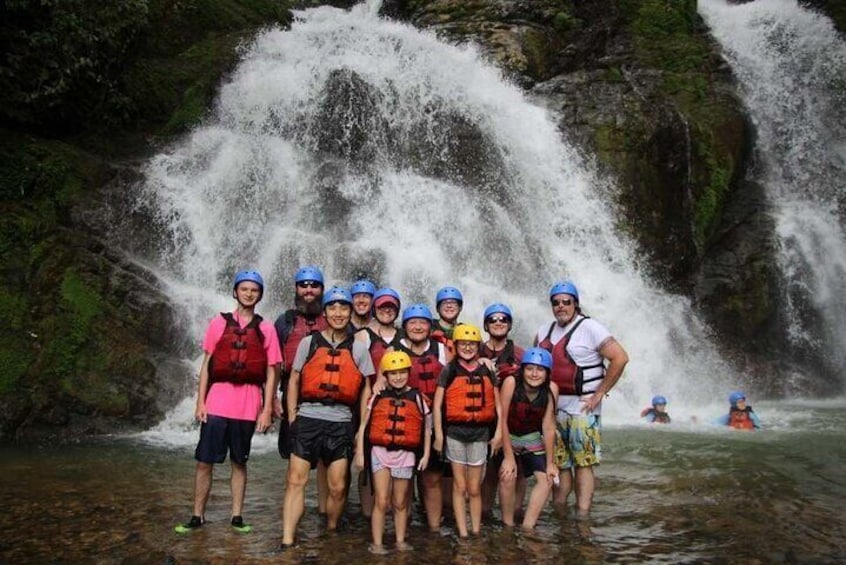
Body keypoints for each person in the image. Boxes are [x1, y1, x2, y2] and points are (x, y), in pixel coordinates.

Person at [175, 270, 281, 534]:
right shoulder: (218, 324)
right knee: (204, 461)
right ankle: (197, 515)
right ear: (235, 292)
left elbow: (271, 371)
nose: (248, 293)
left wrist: (266, 408)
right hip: (217, 401)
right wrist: (200, 403)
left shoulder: (266, 328)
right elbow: (207, 366)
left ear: (260, 295)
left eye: (254, 290)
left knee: (239, 462)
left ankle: (236, 516)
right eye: (244, 289)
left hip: (247, 405)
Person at [280, 286, 374, 549]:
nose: (338, 313)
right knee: (295, 480)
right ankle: (287, 540)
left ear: (350, 312)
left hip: (341, 422)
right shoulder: (308, 343)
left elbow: (366, 386)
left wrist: (360, 428)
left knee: (337, 487)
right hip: (308, 418)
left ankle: (331, 529)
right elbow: (295, 378)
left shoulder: (359, 348)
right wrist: (292, 418)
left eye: (343, 308)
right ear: (325, 312)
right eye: (332, 308)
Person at [535, 281, 629, 516]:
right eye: (556, 303)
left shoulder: (591, 328)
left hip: (582, 408)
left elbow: (620, 357)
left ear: (575, 303)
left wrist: (600, 392)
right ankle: (560, 510)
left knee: (583, 463)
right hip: (553, 408)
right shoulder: (544, 330)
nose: (561, 307)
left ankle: (583, 513)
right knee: (561, 464)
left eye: (566, 302)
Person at [354, 351, 432, 554]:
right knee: (381, 500)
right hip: (380, 452)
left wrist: (425, 455)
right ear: (386, 375)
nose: (398, 377)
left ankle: (399, 540)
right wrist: (360, 454)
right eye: (393, 373)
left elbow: (426, 428)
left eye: (402, 372)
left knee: (400, 502)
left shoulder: (417, 397)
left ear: (408, 372)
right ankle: (377, 543)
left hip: (405, 454)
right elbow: (363, 426)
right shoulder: (377, 396)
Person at [384, 303, 450, 531]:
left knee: (432, 478)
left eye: (423, 322)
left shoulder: (441, 350)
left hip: (433, 422)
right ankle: (405, 529)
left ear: (430, 326)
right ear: (405, 326)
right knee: (403, 480)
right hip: (402, 421)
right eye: (413, 323)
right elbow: (381, 387)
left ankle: (433, 530)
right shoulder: (394, 349)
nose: (418, 327)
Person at [433, 323, 502, 538]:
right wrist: (439, 434)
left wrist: (498, 433)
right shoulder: (449, 370)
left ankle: (476, 530)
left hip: (480, 434)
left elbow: (498, 406)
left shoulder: (487, 370)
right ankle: (463, 533)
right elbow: (437, 405)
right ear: (456, 345)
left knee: (474, 488)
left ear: (478, 346)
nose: (467, 348)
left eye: (472, 344)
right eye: (463, 344)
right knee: (459, 485)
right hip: (455, 432)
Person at [273, 266, 331, 514]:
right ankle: (294, 505)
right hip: (292, 396)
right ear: (296, 288)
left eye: (314, 285)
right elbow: (274, 362)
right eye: (303, 285)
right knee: (295, 455)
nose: (309, 290)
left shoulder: (333, 318)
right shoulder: (284, 322)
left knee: (325, 458)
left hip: (327, 397)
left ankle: (323, 509)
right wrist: (274, 397)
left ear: (322, 289)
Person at [354, 287, 403, 517]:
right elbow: (359, 375)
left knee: (401, 457)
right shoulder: (363, 335)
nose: (386, 311)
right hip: (371, 403)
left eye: (391, 307)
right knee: (368, 458)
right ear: (375, 308)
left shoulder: (405, 335)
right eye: (382, 307)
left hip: (401, 406)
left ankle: (400, 509)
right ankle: (368, 514)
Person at [499, 348, 559, 529]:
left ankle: (528, 527)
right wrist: (509, 458)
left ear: (547, 373)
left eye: (540, 370)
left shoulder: (551, 389)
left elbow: (548, 426)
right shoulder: (511, 383)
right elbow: (502, 419)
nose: (534, 374)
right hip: (508, 434)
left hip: (531, 436)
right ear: (522, 369)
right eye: (530, 369)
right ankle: (507, 523)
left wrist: (550, 462)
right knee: (508, 475)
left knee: (547, 479)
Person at [478, 302, 525, 516]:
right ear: (486, 326)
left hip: (513, 418)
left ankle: (514, 512)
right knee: (489, 471)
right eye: (493, 320)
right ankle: (485, 512)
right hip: (482, 417)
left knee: (519, 469)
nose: (498, 323)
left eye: (503, 319)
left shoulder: (520, 354)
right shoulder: (474, 349)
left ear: (510, 324)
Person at [430, 286, 463, 358]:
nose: (449, 305)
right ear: (438, 309)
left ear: (460, 308)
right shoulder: (428, 327)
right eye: (444, 303)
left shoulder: (465, 329)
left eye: (453, 302)